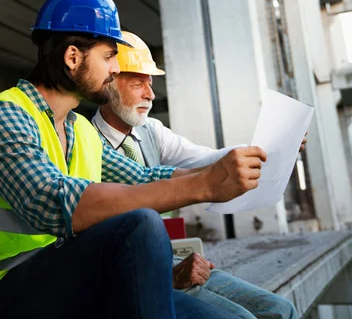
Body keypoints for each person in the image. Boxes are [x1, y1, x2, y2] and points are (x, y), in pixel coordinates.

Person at [0, 0, 267, 319]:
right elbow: (53, 203)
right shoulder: (2, 116)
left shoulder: (80, 130)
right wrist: (205, 185)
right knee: (139, 225)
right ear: (72, 57)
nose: (115, 69)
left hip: (61, 280)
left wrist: (221, 172)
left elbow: (144, 178)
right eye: (108, 56)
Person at [93, 31, 300, 319]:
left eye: (150, 84)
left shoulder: (150, 131)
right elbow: (145, 178)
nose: (150, 95)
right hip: (131, 271)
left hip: (168, 259)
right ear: (109, 82)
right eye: (139, 84)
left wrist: (264, 150)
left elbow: (203, 157)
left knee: (281, 310)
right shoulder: (89, 141)